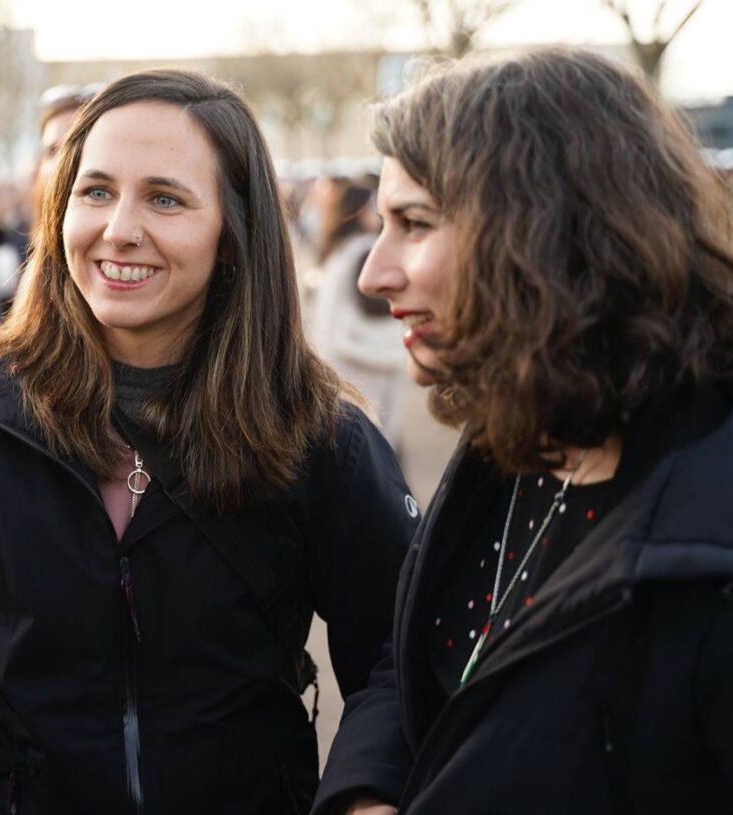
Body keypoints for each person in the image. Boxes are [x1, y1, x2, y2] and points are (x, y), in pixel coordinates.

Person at [0, 68, 418, 814]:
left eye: (164, 198)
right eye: (96, 191)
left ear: (234, 231)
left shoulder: (317, 432)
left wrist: (364, 792)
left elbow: (402, 658)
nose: (119, 228)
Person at [313, 48, 733, 815]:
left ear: (549, 235)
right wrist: (364, 792)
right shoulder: (512, 442)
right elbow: (417, 667)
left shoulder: (707, 534)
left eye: (415, 223)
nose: (373, 273)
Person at [302, 174, 409, 449]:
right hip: (362, 371)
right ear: (360, 210)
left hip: (338, 365)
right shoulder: (363, 251)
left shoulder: (338, 249)